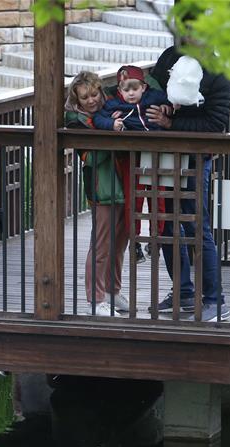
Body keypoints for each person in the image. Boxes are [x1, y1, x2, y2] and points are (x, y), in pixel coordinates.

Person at [146, 47, 230, 321]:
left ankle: (215, 300)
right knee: (167, 223)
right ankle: (182, 291)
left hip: (195, 157)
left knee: (197, 227)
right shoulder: (170, 56)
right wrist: (159, 104)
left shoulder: (218, 72)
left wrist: (171, 123)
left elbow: (215, 123)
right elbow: (151, 89)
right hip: (165, 155)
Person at [65, 71, 129, 316]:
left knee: (120, 241)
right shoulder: (75, 121)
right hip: (101, 187)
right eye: (85, 97)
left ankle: (113, 291)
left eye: (94, 94)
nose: (91, 100)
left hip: (122, 181)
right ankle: (96, 298)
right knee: (101, 244)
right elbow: (89, 157)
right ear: (77, 100)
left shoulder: (112, 108)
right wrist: (113, 135)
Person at [94, 65, 171, 265]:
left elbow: (170, 100)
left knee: (158, 198)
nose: (130, 93)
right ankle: (134, 240)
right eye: (125, 89)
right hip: (132, 157)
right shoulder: (115, 106)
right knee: (133, 200)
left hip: (156, 155)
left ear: (143, 87)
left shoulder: (154, 98)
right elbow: (98, 117)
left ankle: (155, 239)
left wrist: (167, 108)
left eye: (134, 88)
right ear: (119, 90)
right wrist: (111, 124)